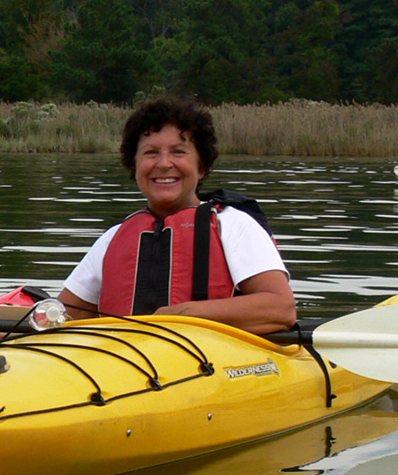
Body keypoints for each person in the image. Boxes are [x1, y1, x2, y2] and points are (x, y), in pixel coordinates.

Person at [56, 98, 296, 334]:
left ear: (201, 167)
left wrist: (182, 316)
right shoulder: (112, 239)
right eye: (150, 153)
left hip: (208, 363)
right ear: (135, 166)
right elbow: (63, 316)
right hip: (123, 361)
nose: (163, 164)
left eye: (178, 152)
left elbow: (280, 309)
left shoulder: (235, 225)